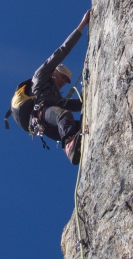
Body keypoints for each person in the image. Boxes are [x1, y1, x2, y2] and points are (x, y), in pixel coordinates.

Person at [31, 9, 91, 164]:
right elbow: (61, 51)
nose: (63, 82)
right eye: (62, 78)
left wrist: (87, 95)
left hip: (53, 125)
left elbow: (77, 105)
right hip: (45, 116)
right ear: (54, 72)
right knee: (64, 115)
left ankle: (74, 144)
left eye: (66, 81)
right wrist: (82, 25)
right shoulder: (41, 78)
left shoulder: (57, 99)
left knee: (83, 126)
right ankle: (69, 145)